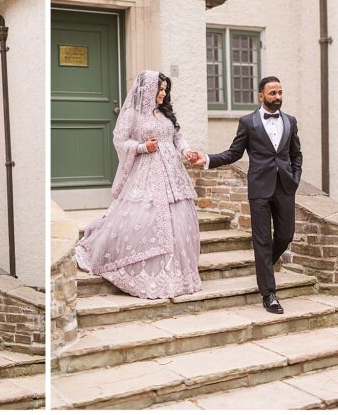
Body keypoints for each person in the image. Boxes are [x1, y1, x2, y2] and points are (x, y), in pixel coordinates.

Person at [74, 70, 203, 299]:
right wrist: (143, 147)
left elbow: (177, 137)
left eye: (165, 90)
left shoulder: (166, 113)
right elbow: (119, 140)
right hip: (146, 171)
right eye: (160, 89)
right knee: (146, 219)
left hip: (173, 173)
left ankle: (176, 274)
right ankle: (146, 272)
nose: (163, 94)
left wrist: (187, 151)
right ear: (147, 90)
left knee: (179, 219)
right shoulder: (133, 114)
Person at [191, 76, 302, 314]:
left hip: (284, 187)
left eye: (280, 92)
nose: (278, 97)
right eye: (273, 93)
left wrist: (295, 177)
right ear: (260, 95)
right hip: (260, 189)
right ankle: (269, 294)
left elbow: (296, 154)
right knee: (262, 241)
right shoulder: (248, 122)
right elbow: (233, 153)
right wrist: (208, 159)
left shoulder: (291, 122)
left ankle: (264, 268)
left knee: (286, 235)